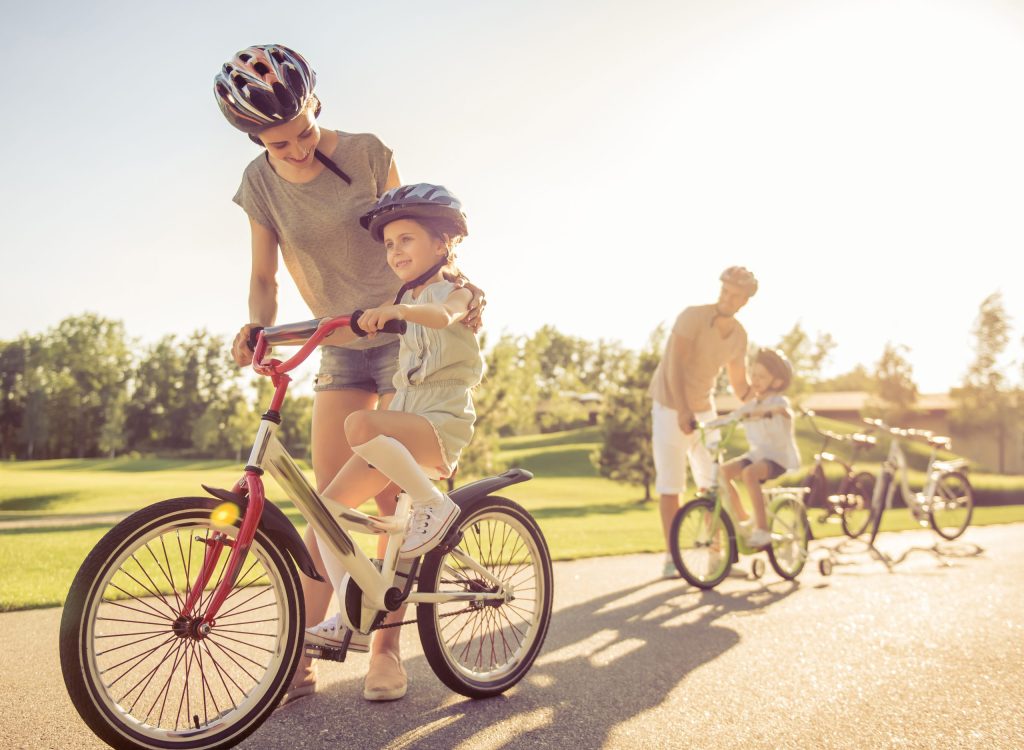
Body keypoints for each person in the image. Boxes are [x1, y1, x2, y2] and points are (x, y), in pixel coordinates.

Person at [214, 44, 483, 702]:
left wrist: (458, 291)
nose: (299, 150)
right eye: (281, 144)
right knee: (325, 504)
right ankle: (299, 659)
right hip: (337, 339)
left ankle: (386, 652)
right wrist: (259, 329)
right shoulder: (259, 184)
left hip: (403, 334)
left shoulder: (366, 152)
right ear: (255, 139)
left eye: (304, 131)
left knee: (390, 496)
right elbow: (262, 276)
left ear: (316, 107)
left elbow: (418, 228)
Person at [303, 184, 484, 697]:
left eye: (406, 239)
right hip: (403, 418)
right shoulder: (403, 296)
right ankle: (349, 611)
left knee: (360, 426)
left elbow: (442, 317)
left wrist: (397, 313)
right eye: (388, 244)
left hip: (438, 423)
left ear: (442, 242)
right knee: (325, 512)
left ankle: (434, 504)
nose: (395, 251)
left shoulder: (459, 289)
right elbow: (363, 325)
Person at [648, 266, 758, 579]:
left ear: (745, 301)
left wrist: (766, 400)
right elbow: (674, 367)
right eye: (724, 290)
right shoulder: (692, 317)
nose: (727, 298)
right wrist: (683, 411)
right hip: (670, 406)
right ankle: (672, 559)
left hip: (704, 410)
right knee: (671, 485)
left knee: (714, 483)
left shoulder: (739, 335)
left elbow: (740, 385)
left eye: (735, 295)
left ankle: (716, 558)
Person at [720, 348, 801, 548]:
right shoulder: (752, 404)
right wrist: (705, 425)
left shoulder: (779, 401)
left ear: (777, 382)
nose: (754, 380)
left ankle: (763, 530)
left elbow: (784, 411)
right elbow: (733, 416)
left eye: (761, 376)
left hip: (777, 459)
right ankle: (744, 518)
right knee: (722, 473)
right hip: (757, 455)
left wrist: (767, 412)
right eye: (753, 374)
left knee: (749, 473)